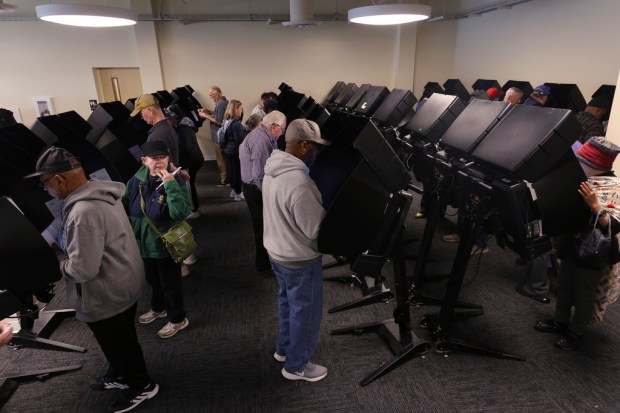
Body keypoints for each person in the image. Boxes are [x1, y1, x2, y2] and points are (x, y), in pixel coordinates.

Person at [27, 146, 158, 413]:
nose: (47, 191)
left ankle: (142, 385)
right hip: (124, 279)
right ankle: (121, 374)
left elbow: (83, 270)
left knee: (119, 342)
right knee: (121, 338)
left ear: (60, 179)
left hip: (106, 292)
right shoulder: (101, 190)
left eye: (45, 184)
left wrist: (59, 261)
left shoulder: (82, 212)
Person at [535, 136, 620, 350]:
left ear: (597, 168)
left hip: (593, 250)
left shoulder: (613, 187)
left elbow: (615, 224)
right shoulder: (578, 180)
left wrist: (595, 205)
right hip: (570, 241)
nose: (579, 168)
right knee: (564, 284)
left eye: (583, 165)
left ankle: (576, 332)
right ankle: (560, 321)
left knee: (584, 293)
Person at [262, 118, 331, 382]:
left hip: (276, 253)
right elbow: (315, 230)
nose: (315, 152)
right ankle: (296, 366)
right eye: (313, 146)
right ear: (302, 145)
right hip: (298, 259)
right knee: (306, 312)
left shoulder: (272, 167)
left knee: (287, 304)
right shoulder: (300, 183)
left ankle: (284, 349)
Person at [123, 141, 192, 339]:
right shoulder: (136, 180)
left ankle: (178, 319)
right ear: (144, 161)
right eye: (155, 158)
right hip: (143, 244)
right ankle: (158, 308)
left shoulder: (175, 181)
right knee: (152, 279)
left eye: (163, 157)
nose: (159, 162)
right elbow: (125, 203)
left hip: (165, 245)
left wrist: (170, 183)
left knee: (170, 283)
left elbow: (180, 212)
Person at [239, 110, 287, 276]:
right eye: (282, 129)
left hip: (252, 187)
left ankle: (265, 263)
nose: (282, 133)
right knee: (263, 228)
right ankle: (263, 265)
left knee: (263, 227)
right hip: (256, 190)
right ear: (273, 126)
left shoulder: (262, 134)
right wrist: (271, 196)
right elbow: (259, 175)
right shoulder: (261, 141)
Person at [165, 104, 204, 219]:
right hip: (194, 159)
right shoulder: (185, 124)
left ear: (175, 117)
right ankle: (193, 207)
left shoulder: (183, 129)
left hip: (190, 161)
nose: (168, 120)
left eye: (169, 118)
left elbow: (186, 147)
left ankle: (194, 210)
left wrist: (175, 158)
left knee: (188, 186)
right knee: (190, 185)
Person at [131, 94, 180, 165]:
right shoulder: (167, 124)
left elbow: (160, 168)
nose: (141, 117)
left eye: (141, 114)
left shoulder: (156, 136)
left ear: (150, 110)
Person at [198, 86, 229, 186]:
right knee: (223, 158)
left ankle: (224, 180)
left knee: (221, 159)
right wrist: (208, 111)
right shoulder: (222, 102)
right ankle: (226, 178)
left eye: (211, 95)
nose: (211, 97)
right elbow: (217, 115)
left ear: (217, 93)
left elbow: (219, 122)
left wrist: (205, 116)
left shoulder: (220, 103)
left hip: (219, 136)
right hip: (220, 135)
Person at [220, 100, 247, 202]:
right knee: (237, 173)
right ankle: (238, 194)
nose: (242, 110)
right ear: (235, 109)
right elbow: (240, 140)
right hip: (235, 151)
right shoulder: (236, 124)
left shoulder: (226, 120)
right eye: (240, 108)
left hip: (227, 149)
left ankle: (233, 191)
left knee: (231, 171)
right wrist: (247, 132)